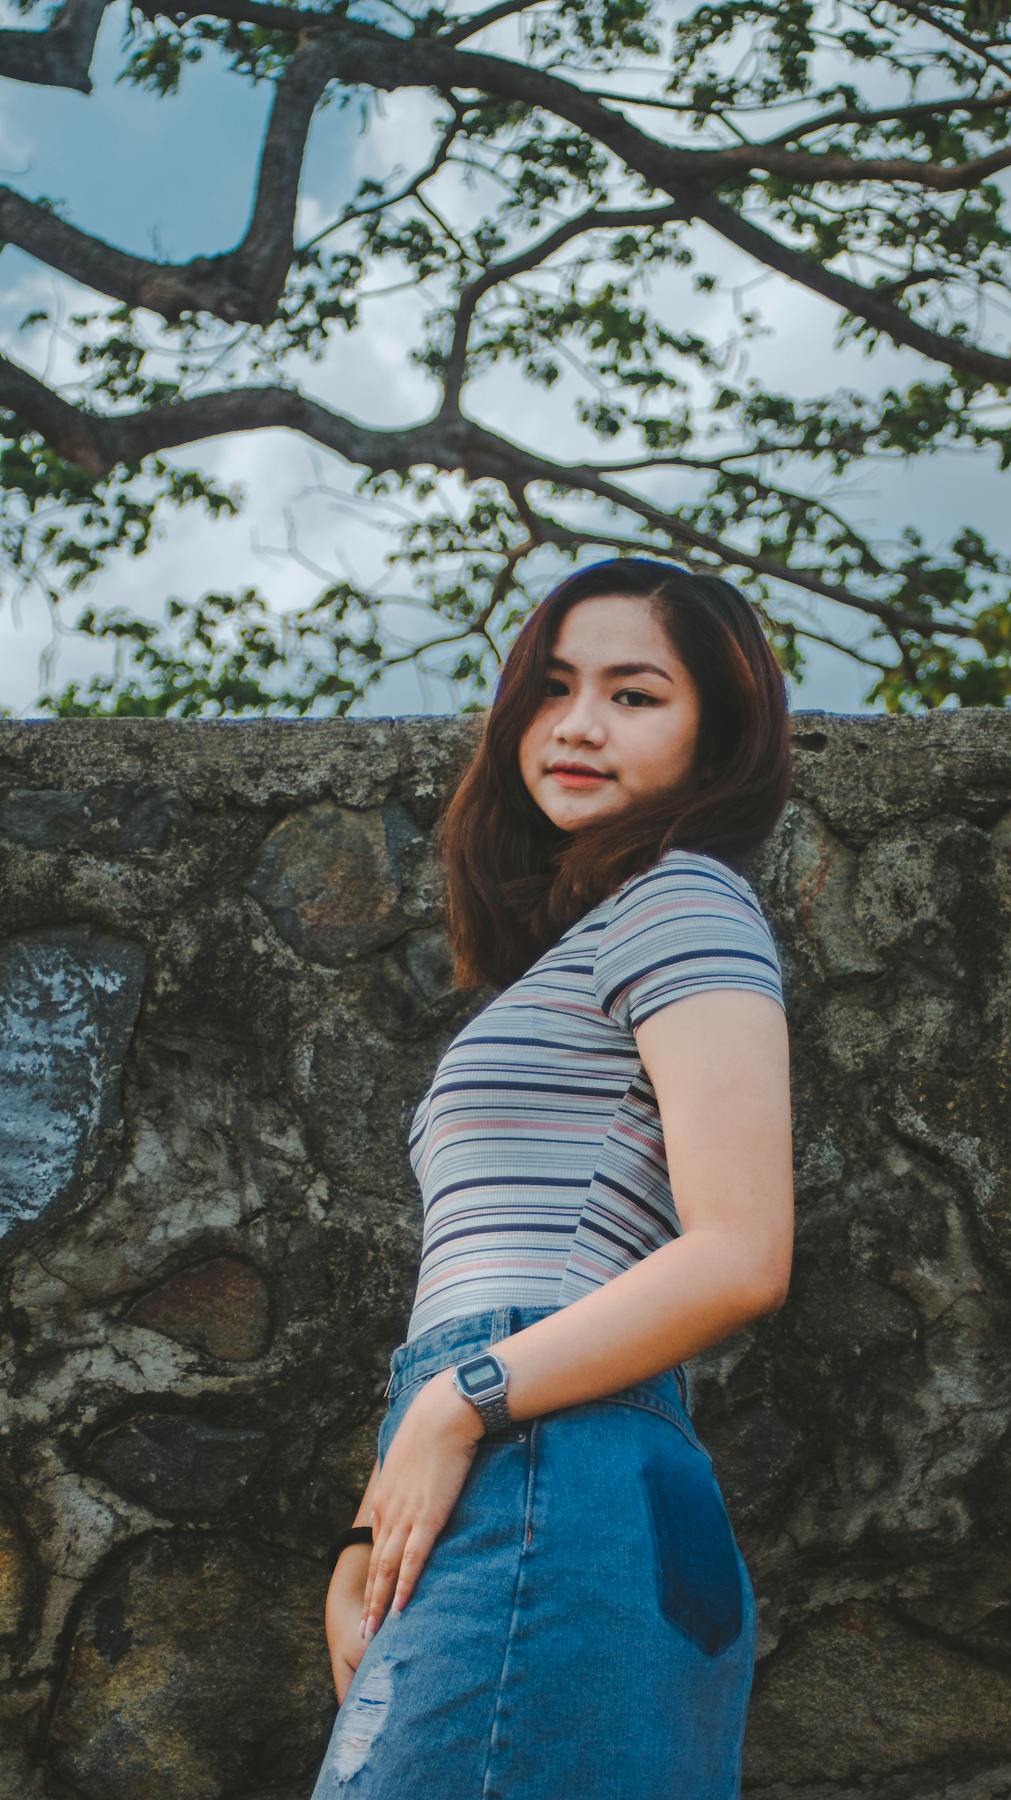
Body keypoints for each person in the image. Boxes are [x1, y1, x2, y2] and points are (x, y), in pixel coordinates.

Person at [310, 556, 795, 1800]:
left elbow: (742, 1252)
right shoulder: (589, 942)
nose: (578, 725)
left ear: (715, 738)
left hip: (545, 1459)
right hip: (515, 1457)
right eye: (555, 688)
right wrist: (381, 1512)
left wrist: (455, 1405)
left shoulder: (683, 900)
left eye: (636, 695)